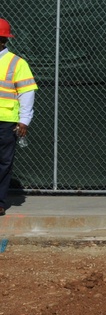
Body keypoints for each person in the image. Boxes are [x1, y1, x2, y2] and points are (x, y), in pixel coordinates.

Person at [0, 18, 38, 217]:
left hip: (5, 122)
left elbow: (26, 93)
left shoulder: (17, 63)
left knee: (4, 162)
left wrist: (24, 120)